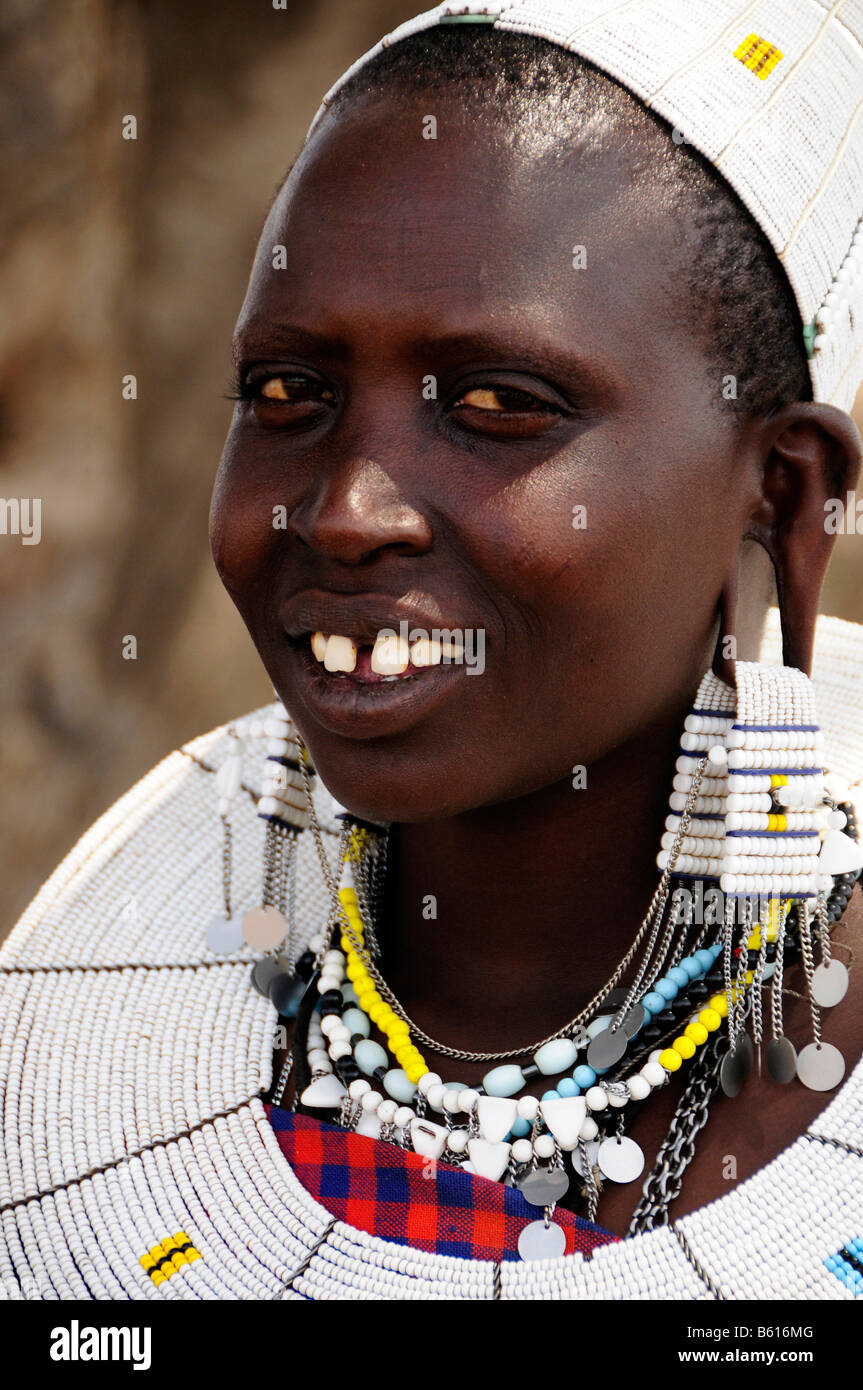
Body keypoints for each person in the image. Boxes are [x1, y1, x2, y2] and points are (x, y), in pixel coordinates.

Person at [2, 0, 863, 1301]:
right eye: (289, 393)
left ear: (786, 497)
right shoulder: (71, 1072)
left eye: (497, 407)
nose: (348, 509)